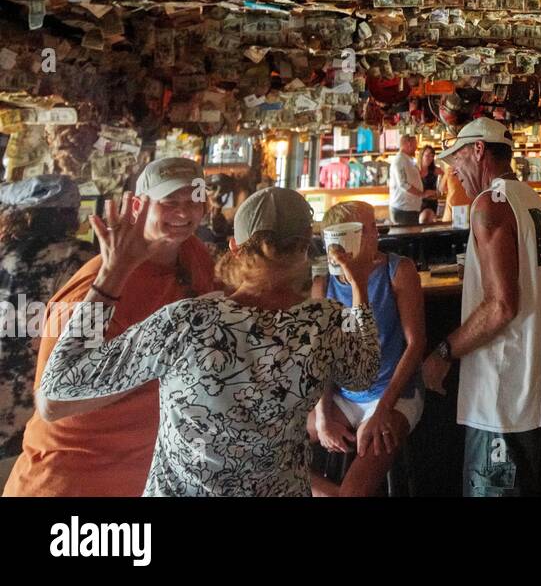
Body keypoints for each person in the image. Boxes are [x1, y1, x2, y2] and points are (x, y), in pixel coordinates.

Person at [34, 187, 380, 496]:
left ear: (234, 248)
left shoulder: (188, 321)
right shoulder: (324, 321)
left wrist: (113, 273)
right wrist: (359, 287)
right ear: (307, 246)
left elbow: (60, 384)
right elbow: (362, 377)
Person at [4, 158, 216, 497]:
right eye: (169, 202)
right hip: (68, 479)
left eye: (193, 201)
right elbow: (54, 402)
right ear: (137, 205)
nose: (183, 213)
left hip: (141, 475)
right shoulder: (95, 284)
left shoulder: (193, 256)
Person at [421, 118, 541, 496]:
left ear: (479, 150)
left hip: (500, 391)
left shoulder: (491, 202)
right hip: (534, 386)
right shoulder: (534, 201)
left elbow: (501, 306)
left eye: (457, 159)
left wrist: (443, 352)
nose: (454, 170)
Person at [309, 201, 426, 496]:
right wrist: (323, 417)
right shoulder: (323, 286)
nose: (378, 232)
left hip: (394, 394)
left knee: (355, 490)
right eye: (370, 228)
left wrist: (383, 410)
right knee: (273, 447)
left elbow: (416, 345)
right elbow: (321, 359)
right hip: (342, 396)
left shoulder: (398, 270)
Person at [0, 176, 92, 456]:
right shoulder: (80, 259)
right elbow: (89, 339)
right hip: (31, 413)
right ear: (69, 214)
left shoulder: (3, 253)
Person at [389, 134, 436, 226]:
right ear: (408, 144)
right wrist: (422, 194)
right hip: (404, 210)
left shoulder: (408, 160)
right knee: (407, 237)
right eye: (415, 144)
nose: (416, 147)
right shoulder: (399, 160)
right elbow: (403, 184)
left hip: (410, 209)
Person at [418, 145, 440, 224]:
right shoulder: (415, 170)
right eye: (427, 155)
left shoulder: (435, 170)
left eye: (432, 156)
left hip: (431, 202)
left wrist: (438, 191)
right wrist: (424, 194)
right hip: (418, 202)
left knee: (427, 222)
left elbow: (446, 178)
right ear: (422, 155)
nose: (430, 158)